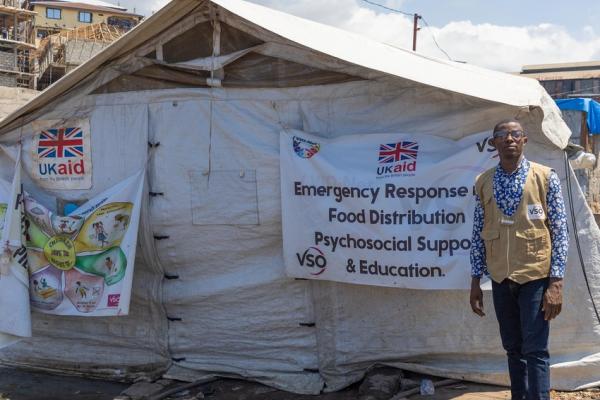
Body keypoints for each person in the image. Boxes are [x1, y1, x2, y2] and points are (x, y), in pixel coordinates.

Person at [469, 119, 569, 400]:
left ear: (525, 140)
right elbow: (478, 232)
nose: (509, 139)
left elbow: (560, 230)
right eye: (501, 135)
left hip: (536, 278)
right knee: (513, 348)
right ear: (494, 143)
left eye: (515, 134)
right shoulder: (483, 181)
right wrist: (476, 281)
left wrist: (556, 281)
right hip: (501, 278)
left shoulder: (544, 177)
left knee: (535, 349)